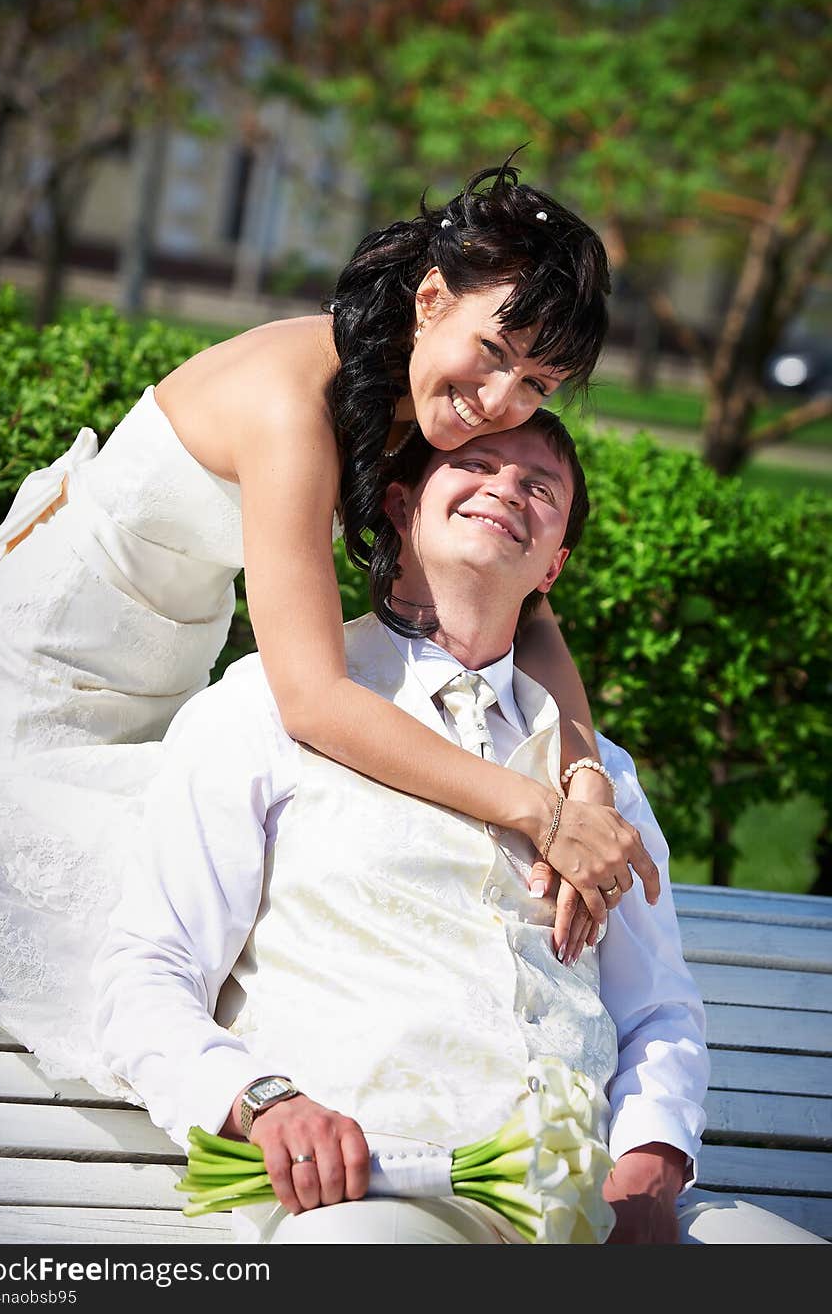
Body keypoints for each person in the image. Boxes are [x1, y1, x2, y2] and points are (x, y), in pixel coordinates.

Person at [0, 161, 659, 1082]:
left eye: (537, 383)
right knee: (157, 907)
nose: (500, 403)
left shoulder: (425, 403)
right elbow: (316, 703)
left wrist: (585, 782)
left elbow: (533, 618)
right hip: (50, 665)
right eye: (493, 352)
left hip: (169, 660)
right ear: (433, 297)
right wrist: (536, 811)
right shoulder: (291, 410)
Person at [95, 410, 822, 1244]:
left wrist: (649, 1162)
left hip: (595, 1206)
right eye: (475, 462)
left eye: (540, 486)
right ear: (402, 506)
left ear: (555, 564)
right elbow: (148, 972)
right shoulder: (260, 710)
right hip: (373, 1196)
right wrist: (264, 1101)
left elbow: (657, 1010)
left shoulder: (600, 778)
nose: (507, 487)